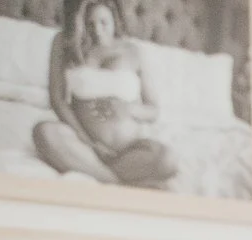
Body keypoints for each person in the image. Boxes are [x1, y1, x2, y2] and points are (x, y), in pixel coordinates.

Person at [33, 0, 176, 188]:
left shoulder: (133, 51)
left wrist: (130, 109)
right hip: (85, 145)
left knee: (168, 159)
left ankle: (97, 171)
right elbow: (57, 100)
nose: (97, 30)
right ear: (80, 21)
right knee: (44, 132)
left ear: (115, 20)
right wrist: (88, 142)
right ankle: (114, 180)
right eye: (89, 24)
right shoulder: (65, 43)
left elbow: (153, 110)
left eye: (103, 22)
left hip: (128, 148)